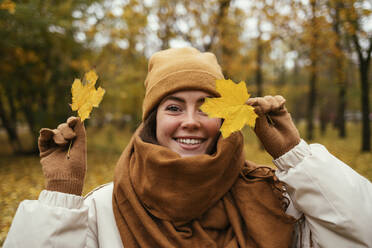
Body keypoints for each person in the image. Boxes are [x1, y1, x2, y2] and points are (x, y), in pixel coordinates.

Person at [4, 47, 372, 248]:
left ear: (225, 119)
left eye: (207, 106)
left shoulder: (276, 199)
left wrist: (296, 156)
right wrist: (60, 196)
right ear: (153, 121)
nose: (191, 121)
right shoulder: (104, 209)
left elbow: (362, 234)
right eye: (174, 107)